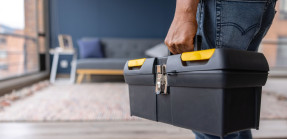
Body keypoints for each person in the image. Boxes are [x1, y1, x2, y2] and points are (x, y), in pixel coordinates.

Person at [165, 0, 277, 139]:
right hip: (258, 5)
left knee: (209, 119)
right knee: (236, 109)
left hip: (226, 6)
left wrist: (184, 13)